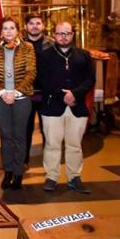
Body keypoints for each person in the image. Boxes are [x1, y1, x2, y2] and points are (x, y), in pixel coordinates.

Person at [39, 22, 95, 194]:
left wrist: (74, 94)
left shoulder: (83, 55)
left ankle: (74, 177)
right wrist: (62, 95)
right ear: (54, 35)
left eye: (67, 33)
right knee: (52, 144)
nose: (63, 37)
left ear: (72, 35)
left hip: (77, 107)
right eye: (60, 33)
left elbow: (90, 80)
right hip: (52, 106)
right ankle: (52, 176)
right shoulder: (45, 55)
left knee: (75, 144)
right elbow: (41, 81)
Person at [0, 17, 37, 190]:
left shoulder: (27, 48)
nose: (8, 31)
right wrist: (2, 92)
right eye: (5, 28)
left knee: (19, 136)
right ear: (1, 31)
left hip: (22, 98)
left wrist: (16, 92)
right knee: (6, 134)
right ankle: (7, 170)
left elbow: (31, 73)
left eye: (12, 28)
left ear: (17, 30)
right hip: (0, 97)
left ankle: (18, 173)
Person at [23, 13, 54, 168]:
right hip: (26, 93)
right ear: (26, 26)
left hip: (46, 93)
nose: (34, 26)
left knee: (47, 130)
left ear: (43, 25)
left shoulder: (52, 44)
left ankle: (49, 162)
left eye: (38, 23)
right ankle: (24, 162)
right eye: (31, 23)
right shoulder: (19, 44)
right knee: (25, 129)